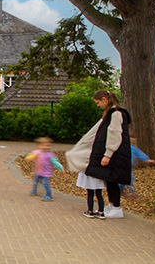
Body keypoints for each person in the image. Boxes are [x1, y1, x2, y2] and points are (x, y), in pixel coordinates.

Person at [65, 90, 132, 219]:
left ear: (104, 100)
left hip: (115, 154)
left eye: (98, 103)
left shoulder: (116, 114)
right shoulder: (111, 113)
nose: (97, 105)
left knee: (113, 180)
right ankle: (112, 205)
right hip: (114, 154)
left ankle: (116, 207)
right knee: (110, 179)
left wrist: (108, 154)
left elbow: (114, 134)